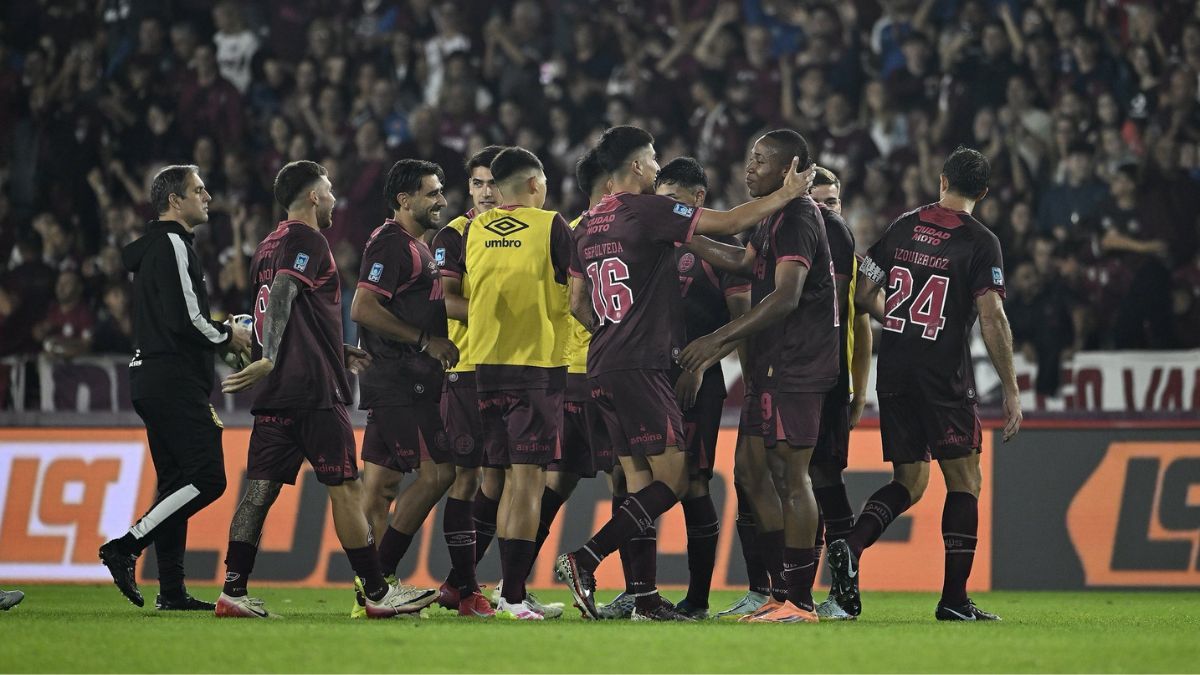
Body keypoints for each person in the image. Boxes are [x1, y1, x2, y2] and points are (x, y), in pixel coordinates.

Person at [555, 125, 811, 621]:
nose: (657, 168)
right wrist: (788, 193)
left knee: (636, 481)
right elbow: (732, 220)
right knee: (672, 480)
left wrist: (613, 329)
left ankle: (645, 597)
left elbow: (578, 303)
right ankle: (584, 559)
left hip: (601, 364)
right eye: (653, 159)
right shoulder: (646, 208)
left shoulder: (588, 223)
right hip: (642, 365)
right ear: (636, 166)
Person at [216, 160, 425, 619]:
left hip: (278, 392)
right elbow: (284, 293)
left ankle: (233, 589)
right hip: (312, 391)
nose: (333, 199)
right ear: (313, 196)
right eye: (328, 191)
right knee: (346, 487)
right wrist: (270, 355)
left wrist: (335, 349)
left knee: (258, 492)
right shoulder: (307, 239)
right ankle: (377, 591)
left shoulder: (266, 245)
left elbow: (290, 312)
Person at [827, 146, 1022, 622]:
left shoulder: (903, 225)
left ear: (942, 181)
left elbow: (864, 291)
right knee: (966, 480)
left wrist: (901, 319)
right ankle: (954, 600)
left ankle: (851, 545)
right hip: (942, 375)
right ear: (983, 193)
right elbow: (992, 317)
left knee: (910, 481)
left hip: (895, 370)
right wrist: (1011, 388)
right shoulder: (981, 242)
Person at [681, 130, 839, 624]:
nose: (749, 167)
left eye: (761, 160)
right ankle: (778, 590)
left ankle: (801, 600)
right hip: (771, 362)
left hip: (797, 362)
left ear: (790, 169)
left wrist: (719, 337)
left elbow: (786, 296)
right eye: (750, 157)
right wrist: (685, 236)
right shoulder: (771, 216)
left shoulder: (798, 217)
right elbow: (743, 262)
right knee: (750, 472)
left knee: (791, 475)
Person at [98, 164, 251, 610]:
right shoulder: (172, 243)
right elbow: (187, 320)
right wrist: (229, 335)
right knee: (207, 478)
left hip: (151, 376)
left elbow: (176, 317)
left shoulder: (155, 248)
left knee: (176, 483)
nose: (207, 196)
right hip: (172, 378)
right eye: (198, 190)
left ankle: (171, 590)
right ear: (174, 201)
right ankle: (125, 547)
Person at [349, 159, 484, 617]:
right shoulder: (392, 243)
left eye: (441, 190)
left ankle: (370, 591)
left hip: (395, 380)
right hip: (404, 381)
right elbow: (363, 307)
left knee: (381, 487)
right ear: (404, 200)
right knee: (440, 474)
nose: (442, 200)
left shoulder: (415, 246)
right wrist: (426, 340)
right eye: (432, 193)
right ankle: (379, 583)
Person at [462, 146, 574, 620]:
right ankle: (511, 597)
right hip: (535, 367)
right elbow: (580, 292)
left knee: (504, 479)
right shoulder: (551, 226)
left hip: (485, 368)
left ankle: (491, 589)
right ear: (533, 184)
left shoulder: (474, 229)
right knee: (527, 483)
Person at [655, 156, 751, 619]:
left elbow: (742, 322)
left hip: (697, 383)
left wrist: (701, 364)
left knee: (693, 483)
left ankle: (696, 599)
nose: (664, 210)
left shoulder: (725, 247)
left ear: (698, 199)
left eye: (674, 201)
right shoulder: (650, 240)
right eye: (660, 200)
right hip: (647, 378)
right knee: (631, 477)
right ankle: (638, 591)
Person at [806, 166, 873, 621]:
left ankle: (843, 592)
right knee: (798, 484)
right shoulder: (796, 251)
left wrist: (859, 391)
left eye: (832, 202)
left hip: (831, 386)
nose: (827, 210)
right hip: (795, 381)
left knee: (826, 480)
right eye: (818, 202)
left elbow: (863, 329)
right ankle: (790, 588)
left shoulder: (853, 258)